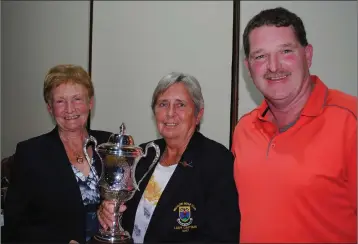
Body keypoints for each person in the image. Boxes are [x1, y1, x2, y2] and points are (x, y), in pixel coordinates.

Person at [232, 7, 357, 243]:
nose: (274, 66)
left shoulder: (350, 121)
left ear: (307, 55)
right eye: (260, 56)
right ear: (248, 68)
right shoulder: (244, 130)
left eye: (286, 51)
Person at [97, 72, 241, 243]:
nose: (170, 113)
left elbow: (222, 236)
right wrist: (106, 212)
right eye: (163, 104)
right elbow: (123, 210)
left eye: (180, 105)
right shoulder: (142, 155)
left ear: (198, 114)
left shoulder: (217, 161)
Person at [3, 64, 111, 243]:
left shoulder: (110, 144)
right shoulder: (30, 153)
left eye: (77, 99)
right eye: (60, 101)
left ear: (90, 103)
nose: (70, 109)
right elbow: (14, 225)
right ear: (50, 108)